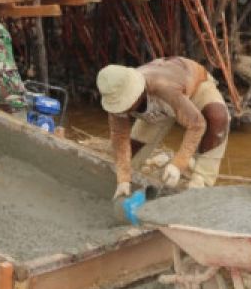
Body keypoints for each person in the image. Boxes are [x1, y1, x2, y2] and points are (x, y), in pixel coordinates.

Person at [96, 57, 230, 196]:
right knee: (131, 155)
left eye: (125, 104)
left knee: (218, 117)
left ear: (137, 93)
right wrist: (123, 179)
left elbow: (197, 124)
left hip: (192, 87)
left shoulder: (163, 86)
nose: (124, 110)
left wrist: (178, 164)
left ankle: (201, 181)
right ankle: (129, 185)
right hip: (159, 107)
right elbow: (120, 136)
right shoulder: (115, 94)